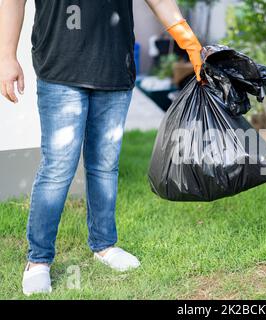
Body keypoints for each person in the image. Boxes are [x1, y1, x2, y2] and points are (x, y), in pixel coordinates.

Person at [0, 0, 202, 296]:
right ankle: (39, 260)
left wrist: (190, 42)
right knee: (59, 168)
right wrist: (6, 56)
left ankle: (104, 245)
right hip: (59, 68)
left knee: (105, 165)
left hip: (115, 68)